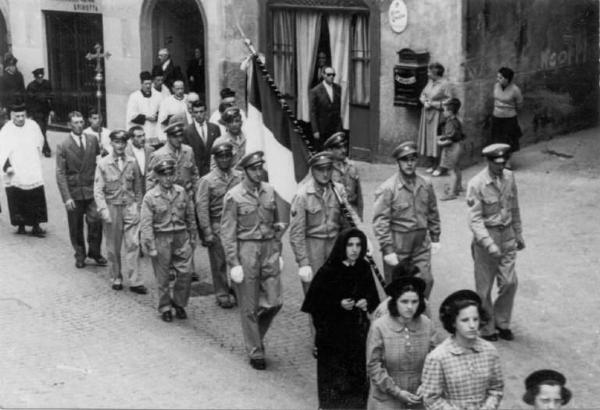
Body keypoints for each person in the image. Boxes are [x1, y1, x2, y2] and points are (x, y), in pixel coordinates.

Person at [220, 151, 287, 370]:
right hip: (246, 250)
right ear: (245, 171)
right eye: (254, 169)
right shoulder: (234, 196)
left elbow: (276, 224)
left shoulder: (269, 191)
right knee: (249, 307)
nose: (259, 173)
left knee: (275, 301)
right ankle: (255, 350)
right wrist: (233, 263)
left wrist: (278, 251)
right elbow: (227, 233)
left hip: (268, 249)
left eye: (261, 168)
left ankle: (254, 335)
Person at [301, 227, 379, 409]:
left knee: (356, 377)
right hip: (333, 335)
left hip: (357, 333)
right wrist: (338, 304)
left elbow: (373, 298)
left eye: (359, 245)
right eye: (350, 245)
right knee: (333, 379)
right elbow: (314, 305)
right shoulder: (328, 271)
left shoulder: (364, 268)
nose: (355, 249)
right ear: (342, 247)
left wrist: (365, 302)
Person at [466, 143, 524, 342]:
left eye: (503, 162)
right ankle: (487, 326)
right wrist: (488, 243)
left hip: (506, 235)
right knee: (484, 288)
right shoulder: (477, 184)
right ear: (488, 161)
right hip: (486, 239)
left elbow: (514, 207)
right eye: (497, 163)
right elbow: (475, 220)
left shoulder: (509, 177)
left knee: (510, 282)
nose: (501, 166)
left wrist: (518, 233)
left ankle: (502, 322)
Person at [372, 141, 441, 296]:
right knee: (396, 287)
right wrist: (387, 249)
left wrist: (435, 236)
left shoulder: (426, 184)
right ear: (398, 162)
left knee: (426, 281)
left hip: (421, 244)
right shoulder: (387, 188)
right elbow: (380, 221)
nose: (409, 163)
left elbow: (432, 211)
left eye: (413, 159)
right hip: (398, 244)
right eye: (405, 160)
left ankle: (420, 314)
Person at [420, 289, 504, 409]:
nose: (472, 325)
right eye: (465, 320)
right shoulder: (438, 357)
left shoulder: (489, 351)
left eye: (475, 319)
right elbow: (431, 398)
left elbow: (496, 388)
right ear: (453, 323)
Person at [140, 159, 197, 322]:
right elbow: (146, 224)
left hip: (180, 237)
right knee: (163, 277)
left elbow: (190, 215)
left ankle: (179, 303)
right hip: (161, 238)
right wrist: (150, 246)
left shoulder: (181, 192)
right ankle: (165, 306)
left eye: (171, 174)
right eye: (164, 175)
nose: (168, 178)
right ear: (157, 177)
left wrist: (193, 235)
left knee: (186, 273)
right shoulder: (150, 197)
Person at [366, 276, 434, 410]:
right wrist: (396, 392)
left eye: (414, 301)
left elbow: (435, 360)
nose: (410, 307)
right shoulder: (379, 326)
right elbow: (373, 365)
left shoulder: (427, 324)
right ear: (395, 302)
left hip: (419, 395)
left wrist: (426, 384)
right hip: (386, 397)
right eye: (404, 301)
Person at [94, 130, 146, 293]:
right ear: (111, 144)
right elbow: (98, 190)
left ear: (126, 144)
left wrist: (138, 207)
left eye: (123, 143)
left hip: (129, 207)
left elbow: (138, 188)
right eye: (117, 142)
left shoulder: (132, 162)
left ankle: (135, 281)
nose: (120, 146)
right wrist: (103, 210)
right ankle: (116, 277)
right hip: (112, 207)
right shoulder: (103, 164)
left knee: (133, 244)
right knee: (113, 247)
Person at [56, 111, 105, 268]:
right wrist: (67, 197)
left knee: (96, 221)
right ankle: (80, 254)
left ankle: (95, 252)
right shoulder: (63, 145)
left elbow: (99, 161)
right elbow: (60, 173)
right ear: (69, 125)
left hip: (91, 189)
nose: (79, 125)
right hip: (74, 192)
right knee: (76, 226)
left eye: (81, 122)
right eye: (75, 122)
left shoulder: (93, 139)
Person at [195, 141, 242, 308]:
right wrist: (206, 231)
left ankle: (238, 290)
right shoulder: (207, 181)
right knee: (219, 263)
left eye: (227, 156)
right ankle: (222, 293)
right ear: (215, 159)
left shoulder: (239, 177)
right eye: (221, 157)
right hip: (218, 226)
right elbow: (202, 207)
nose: (224, 160)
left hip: (237, 226)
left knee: (238, 260)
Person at [0, 103, 48, 237]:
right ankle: (20, 224)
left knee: (35, 195)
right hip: (13, 167)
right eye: (17, 116)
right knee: (16, 194)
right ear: (12, 116)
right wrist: (8, 166)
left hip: (31, 165)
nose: (21, 119)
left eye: (23, 115)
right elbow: (2, 151)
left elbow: (40, 142)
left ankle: (36, 225)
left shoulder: (33, 126)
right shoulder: (6, 130)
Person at [417, 62, 453, 176]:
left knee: (437, 140)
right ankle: (432, 163)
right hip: (427, 114)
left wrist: (434, 104)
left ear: (435, 73)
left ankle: (440, 166)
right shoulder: (430, 82)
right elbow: (423, 94)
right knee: (429, 139)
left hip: (438, 115)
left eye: (429, 72)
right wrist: (424, 101)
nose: (427, 74)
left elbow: (449, 100)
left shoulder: (445, 84)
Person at [323, 131, 364, 219]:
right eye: (339, 148)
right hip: (332, 216)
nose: (343, 150)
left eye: (344, 147)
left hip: (351, 215)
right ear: (329, 150)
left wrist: (359, 216)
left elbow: (359, 196)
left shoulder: (352, 167)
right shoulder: (324, 170)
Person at [490, 67, 523, 169]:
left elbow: (520, 104)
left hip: (509, 119)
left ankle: (507, 161)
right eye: (498, 77)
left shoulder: (515, 90)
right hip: (497, 117)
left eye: (500, 77)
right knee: (497, 139)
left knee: (509, 141)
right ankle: (499, 160)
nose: (498, 79)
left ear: (507, 79)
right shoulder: (496, 86)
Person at [182, 100, 221, 177]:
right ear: (192, 114)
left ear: (205, 112)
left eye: (201, 111)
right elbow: (186, 156)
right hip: (196, 173)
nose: (199, 115)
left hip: (213, 172)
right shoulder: (187, 131)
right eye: (196, 112)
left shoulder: (215, 128)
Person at [437, 98, 465, 201]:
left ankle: (451, 193)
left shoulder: (449, 123)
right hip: (458, 146)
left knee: (450, 170)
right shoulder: (456, 121)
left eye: (444, 110)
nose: (443, 112)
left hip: (451, 149)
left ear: (450, 111)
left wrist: (440, 142)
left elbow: (450, 140)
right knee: (457, 168)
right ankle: (458, 187)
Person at [309, 66, 342, 150]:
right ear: (323, 75)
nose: (331, 77)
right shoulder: (315, 91)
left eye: (333, 75)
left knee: (334, 151)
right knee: (322, 151)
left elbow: (338, 108)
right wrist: (315, 130)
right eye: (329, 74)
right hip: (322, 128)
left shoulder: (338, 88)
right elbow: (312, 112)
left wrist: (339, 127)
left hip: (334, 127)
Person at [126, 71, 162, 144]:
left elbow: (162, 111)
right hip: (141, 130)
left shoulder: (158, 96)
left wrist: (157, 116)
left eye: (150, 83)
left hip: (154, 132)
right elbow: (131, 116)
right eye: (146, 84)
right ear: (141, 84)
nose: (148, 86)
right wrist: (147, 117)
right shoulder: (134, 97)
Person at [25, 68, 54, 157]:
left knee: (43, 129)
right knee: (41, 129)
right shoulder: (31, 86)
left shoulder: (47, 84)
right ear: (35, 78)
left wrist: (53, 109)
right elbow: (28, 100)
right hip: (36, 111)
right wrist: (29, 113)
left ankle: (39, 145)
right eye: (38, 78)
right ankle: (46, 149)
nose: (40, 80)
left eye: (41, 77)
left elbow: (52, 97)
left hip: (46, 110)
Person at [125, 126, 154, 196]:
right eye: (139, 136)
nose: (143, 138)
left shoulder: (151, 150)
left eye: (144, 135)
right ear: (131, 139)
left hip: (149, 192)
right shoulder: (126, 152)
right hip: (132, 194)